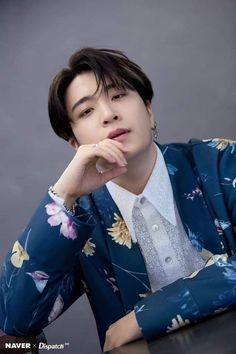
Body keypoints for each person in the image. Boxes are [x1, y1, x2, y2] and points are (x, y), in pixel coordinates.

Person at [0, 47, 236, 352]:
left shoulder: (220, 163)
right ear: (75, 144)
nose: (109, 114)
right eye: (86, 111)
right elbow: (15, 320)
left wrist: (146, 316)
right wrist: (62, 195)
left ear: (149, 109)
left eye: (119, 95)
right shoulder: (79, 221)